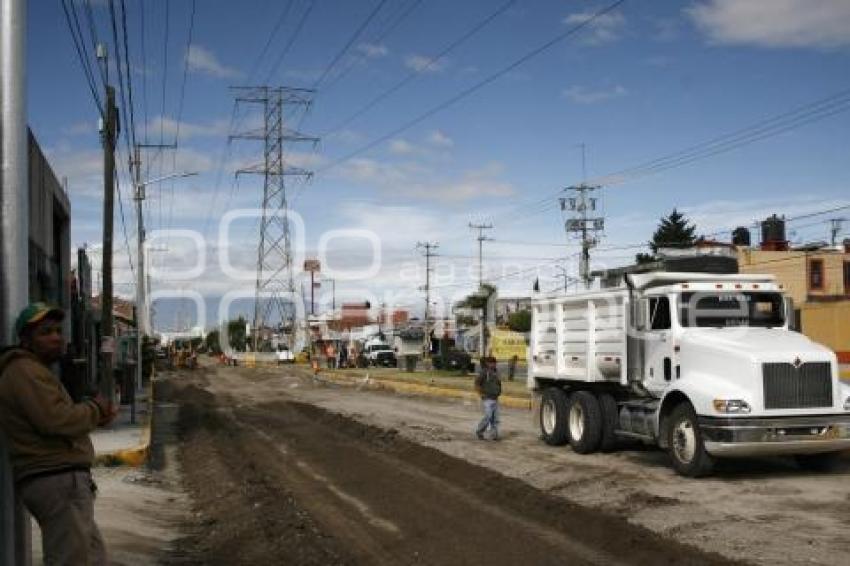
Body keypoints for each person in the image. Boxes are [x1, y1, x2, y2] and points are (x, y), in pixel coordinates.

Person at [0, 303, 117, 565]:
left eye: (57, 331)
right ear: (26, 340)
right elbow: (56, 420)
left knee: (92, 557)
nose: (56, 337)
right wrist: (95, 410)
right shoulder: (24, 371)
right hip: (56, 479)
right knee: (72, 558)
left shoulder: (35, 371)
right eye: (45, 332)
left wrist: (92, 414)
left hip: (62, 477)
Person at [474, 355, 502, 441]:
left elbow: (498, 384)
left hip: (495, 398)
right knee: (488, 417)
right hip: (487, 399)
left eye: (495, 363)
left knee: (495, 419)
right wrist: (481, 394)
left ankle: (494, 435)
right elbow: (477, 383)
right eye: (492, 363)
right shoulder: (484, 372)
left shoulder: (496, 372)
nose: (494, 364)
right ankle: (479, 431)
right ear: (488, 363)